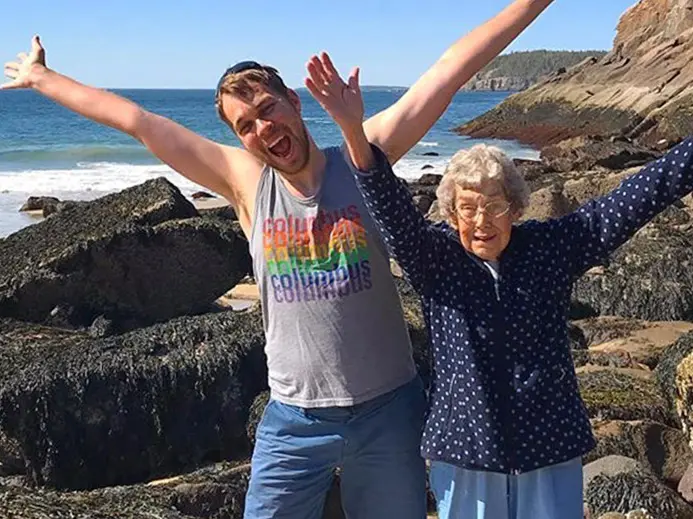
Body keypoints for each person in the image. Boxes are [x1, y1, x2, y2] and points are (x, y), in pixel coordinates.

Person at [2, 2, 554, 517]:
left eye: (268, 109)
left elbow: (449, 70)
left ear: (293, 100)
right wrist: (43, 79)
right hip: (295, 421)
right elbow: (138, 121)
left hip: (390, 412)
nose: (263, 129)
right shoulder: (246, 184)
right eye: (246, 125)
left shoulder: (364, 157)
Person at [306, 54, 693, 519]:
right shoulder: (435, 259)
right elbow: (390, 208)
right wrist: (353, 131)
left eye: (495, 205)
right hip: (466, 451)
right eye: (468, 208)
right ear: (450, 214)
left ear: (516, 205)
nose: (482, 221)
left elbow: (637, 197)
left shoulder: (551, 249)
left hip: (550, 445)